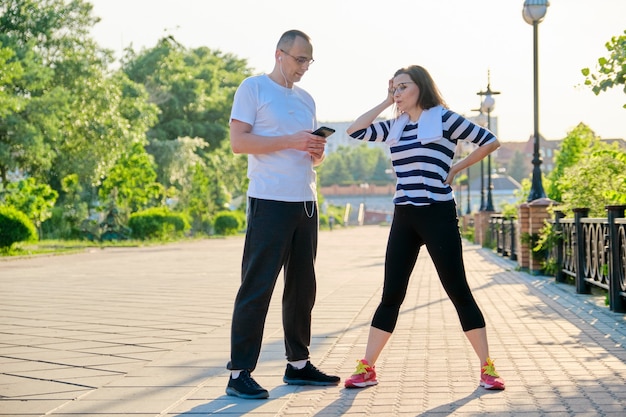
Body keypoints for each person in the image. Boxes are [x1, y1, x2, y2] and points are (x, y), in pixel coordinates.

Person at [343, 65, 505, 391]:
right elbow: (355, 131)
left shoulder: (444, 119)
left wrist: (457, 167)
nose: (398, 93)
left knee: (457, 290)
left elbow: (490, 140)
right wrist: (384, 99)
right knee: (391, 295)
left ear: (421, 87)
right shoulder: (395, 127)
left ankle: (487, 368)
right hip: (404, 215)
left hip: (438, 214)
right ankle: (367, 368)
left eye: (403, 87)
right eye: (395, 88)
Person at [226, 29, 340, 400]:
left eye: (309, 60)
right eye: (299, 59)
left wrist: (315, 150)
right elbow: (239, 142)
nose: (304, 67)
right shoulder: (253, 88)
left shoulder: (306, 99)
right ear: (279, 54)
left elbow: (311, 157)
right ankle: (239, 372)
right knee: (257, 287)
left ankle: (298, 365)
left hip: (305, 202)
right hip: (269, 201)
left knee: (303, 288)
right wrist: (292, 140)